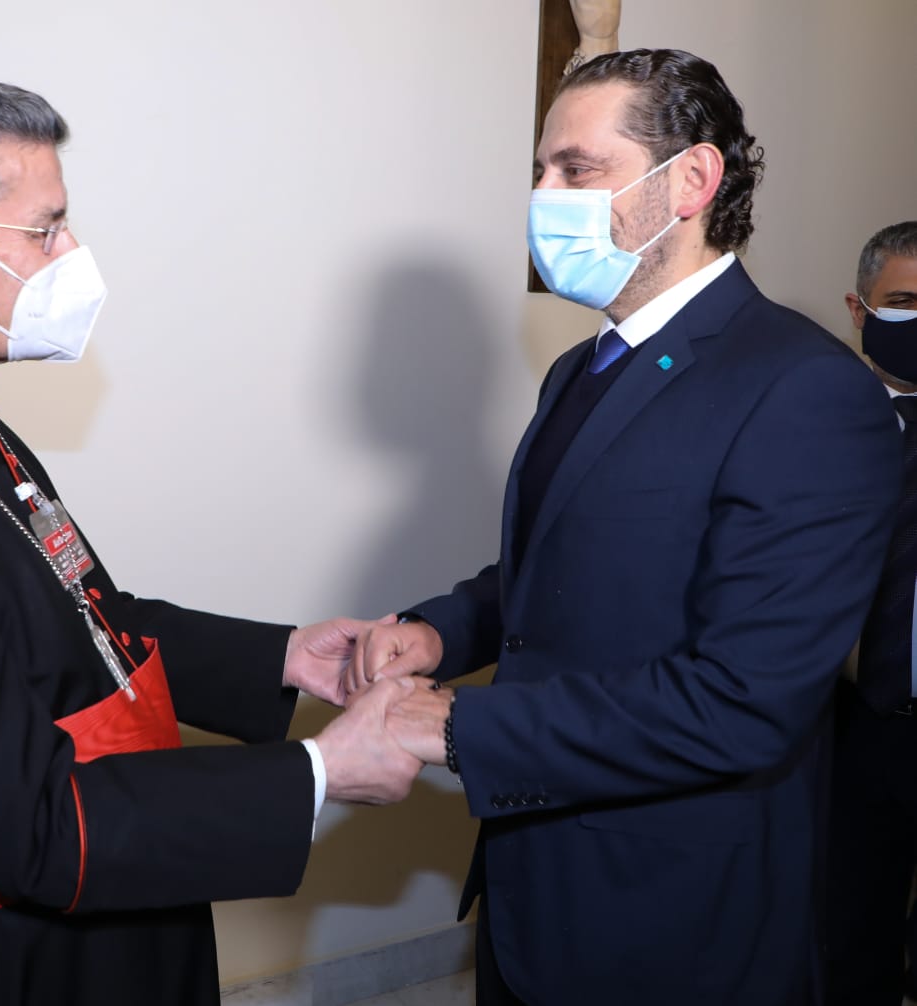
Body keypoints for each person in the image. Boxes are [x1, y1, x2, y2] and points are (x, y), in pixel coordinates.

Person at [0, 79, 427, 1006]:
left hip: (113, 887)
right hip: (9, 960)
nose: (73, 255)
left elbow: (70, 617)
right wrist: (317, 772)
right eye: (45, 229)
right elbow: (27, 824)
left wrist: (284, 659)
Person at [345, 48, 902, 1005]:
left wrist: (462, 724)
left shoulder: (804, 388)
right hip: (531, 876)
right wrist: (443, 631)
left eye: (577, 169)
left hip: (671, 908)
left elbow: (744, 698)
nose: (543, 197)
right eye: (539, 170)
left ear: (691, 180)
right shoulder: (580, 367)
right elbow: (563, 566)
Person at [826, 220, 917, 1006]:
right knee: (849, 941)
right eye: (905, 302)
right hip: (847, 727)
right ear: (859, 310)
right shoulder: (810, 422)